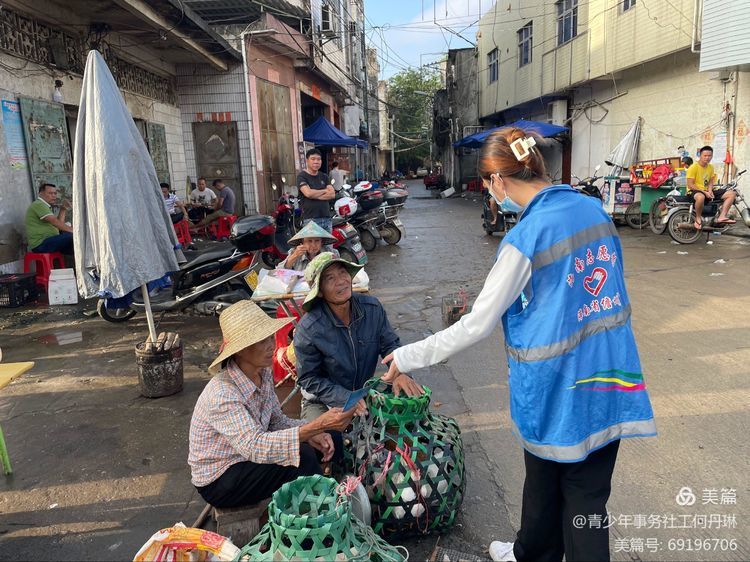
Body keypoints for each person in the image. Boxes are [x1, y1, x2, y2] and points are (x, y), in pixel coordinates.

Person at [380, 128, 657, 562]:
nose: (492, 196)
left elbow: (476, 325)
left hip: (557, 389)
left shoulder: (524, 239)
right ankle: (531, 552)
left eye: (489, 186)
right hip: (609, 377)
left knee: (576, 500)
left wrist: (406, 356)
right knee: (556, 484)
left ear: (498, 182)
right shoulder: (593, 209)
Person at [189, 300, 355, 508]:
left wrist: (314, 432)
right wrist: (314, 426)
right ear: (240, 350)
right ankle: (317, 519)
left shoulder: (263, 373)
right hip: (220, 479)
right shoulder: (223, 393)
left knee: (332, 436)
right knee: (302, 458)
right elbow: (255, 447)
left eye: (270, 337)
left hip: (247, 457)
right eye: (261, 341)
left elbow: (276, 421)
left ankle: (338, 487)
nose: (271, 345)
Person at [294, 252, 423, 421]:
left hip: (363, 393)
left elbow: (390, 344)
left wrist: (399, 371)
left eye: (343, 273)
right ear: (319, 291)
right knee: (326, 441)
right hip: (322, 400)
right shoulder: (309, 328)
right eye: (330, 278)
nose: (341, 281)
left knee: (407, 421)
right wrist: (343, 397)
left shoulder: (372, 308)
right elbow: (309, 379)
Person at [686, 145, 736, 229]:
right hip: (694, 191)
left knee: (731, 194)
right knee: (700, 197)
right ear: (700, 155)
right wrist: (704, 192)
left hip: (706, 191)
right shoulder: (693, 167)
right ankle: (698, 218)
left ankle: (722, 216)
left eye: (709, 156)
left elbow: (710, 181)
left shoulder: (710, 167)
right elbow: (690, 185)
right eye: (705, 156)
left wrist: (710, 191)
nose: (707, 158)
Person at [25, 183, 74, 254]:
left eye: (55, 193)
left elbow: (59, 225)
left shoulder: (45, 206)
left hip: (49, 241)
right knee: (72, 236)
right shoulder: (39, 204)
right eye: (50, 193)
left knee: (73, 242)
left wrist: (63, 209)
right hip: (41, 245)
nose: (54, 196)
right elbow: (54, 221)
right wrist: (74, 231)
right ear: (40, 194)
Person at [297, 149, 335, 232]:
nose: (316, 162)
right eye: (313, 159)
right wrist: (324, 190)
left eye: (318, 159)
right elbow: (308, 193)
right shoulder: (302, 176)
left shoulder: (324, 176)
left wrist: (314, 195)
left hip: (326, 219)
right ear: (307, 161)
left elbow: (332, 194)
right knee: (313, 245)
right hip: (310, 220)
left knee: (328, 245)